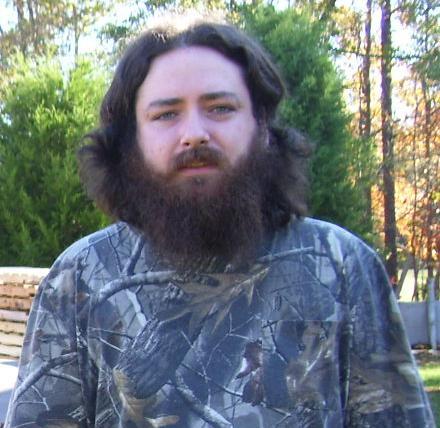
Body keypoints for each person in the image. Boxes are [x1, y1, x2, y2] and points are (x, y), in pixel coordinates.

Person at [6, 17, 434, 428]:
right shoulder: (79, 277)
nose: (194, 133)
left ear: (262, 126)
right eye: (166, 114)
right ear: (131, 140)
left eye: (220, 108)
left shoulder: (341, 266)